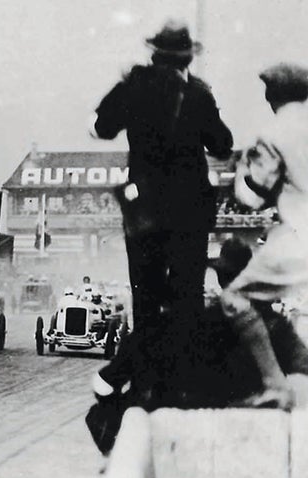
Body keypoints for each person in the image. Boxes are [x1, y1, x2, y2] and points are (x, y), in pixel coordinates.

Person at [88, 237, 308, 453]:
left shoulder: (195, 324)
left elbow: (105, 384)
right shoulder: (278, 327)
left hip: (194, 438)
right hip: (259, 437)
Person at [92, 20, 233, 336]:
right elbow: (223, 146)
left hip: (144, 211)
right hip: (190, 211)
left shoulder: (133, 86)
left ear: (154, 54)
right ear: (187, 58)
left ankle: (144, 379)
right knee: (188, 299)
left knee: (145, 300)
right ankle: (183, 378)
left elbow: (101, 128)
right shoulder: (199, 94)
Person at [220, 63, 308, 407]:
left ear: (273, 95)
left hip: (302, 235)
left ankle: (275, 384)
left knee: (235, 299)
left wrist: (243, 171)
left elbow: (251, 197)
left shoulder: (273, 133)